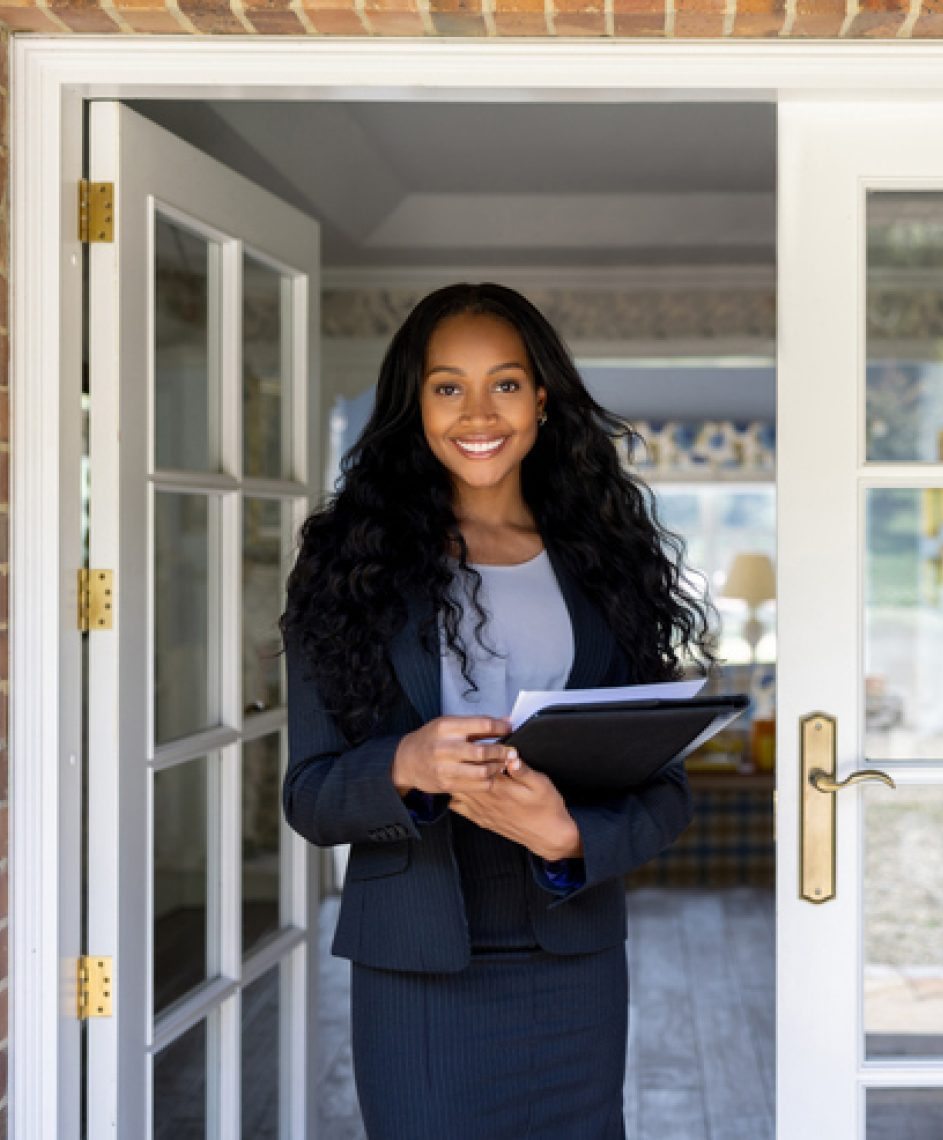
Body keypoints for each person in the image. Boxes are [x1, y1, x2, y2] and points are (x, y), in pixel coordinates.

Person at [279, 282, 713, 1139]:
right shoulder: (344, 567)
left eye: (505, 384)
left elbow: (666, 791)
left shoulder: (606, 563)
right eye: (448, 386)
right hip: (417, 965)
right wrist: (405, 766)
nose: (478, 412)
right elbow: (310, 795)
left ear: (542, 399)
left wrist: (570, 840)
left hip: (573, 958)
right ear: (415, 405)